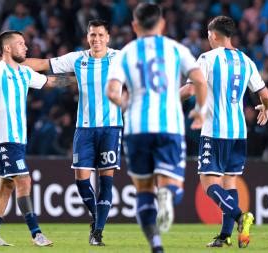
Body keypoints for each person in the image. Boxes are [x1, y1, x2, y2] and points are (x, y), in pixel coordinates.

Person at [0, 19, 121, 246]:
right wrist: (4, 59)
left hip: (111, 127)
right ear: (87, 37)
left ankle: (96, 231)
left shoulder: (120, 58)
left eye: (100, 35)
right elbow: (42, 64)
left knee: (106, 181)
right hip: (84, 128)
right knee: (81, 181)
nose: (96, 39)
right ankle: (97, 217)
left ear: (108, 37)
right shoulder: (78, 58)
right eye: (92, 35)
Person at [106, 3, 207, 253]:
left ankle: (156, 244)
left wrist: (125, 102)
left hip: (137, 127)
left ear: (134, 26)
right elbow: (199, 80)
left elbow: (111, 91)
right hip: (169, 126)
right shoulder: (176, 49)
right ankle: (168, 196)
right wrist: (200, 111)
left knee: (143, 190)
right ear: (162, 24)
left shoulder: (126, 53)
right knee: (173, 186)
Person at [185, 15, 268, 248]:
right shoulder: (246, 61)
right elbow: (265, 94)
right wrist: (266, 108)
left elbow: (192, 88)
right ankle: (224, 236)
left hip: (214, 131)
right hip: (239, 132)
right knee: (229, 182)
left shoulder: (207, 58)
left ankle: (240, 217)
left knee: (208, 183)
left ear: (213, 35)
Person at [0, 30, 52, 247]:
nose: (26, 47)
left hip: (19, 139)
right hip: (5, 139)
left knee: (6, 185)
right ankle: (36, 234)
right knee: (24, 180)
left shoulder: (24, 73)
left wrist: (82, 78)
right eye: (21, 43)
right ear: (7, 48)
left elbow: (50, 82)